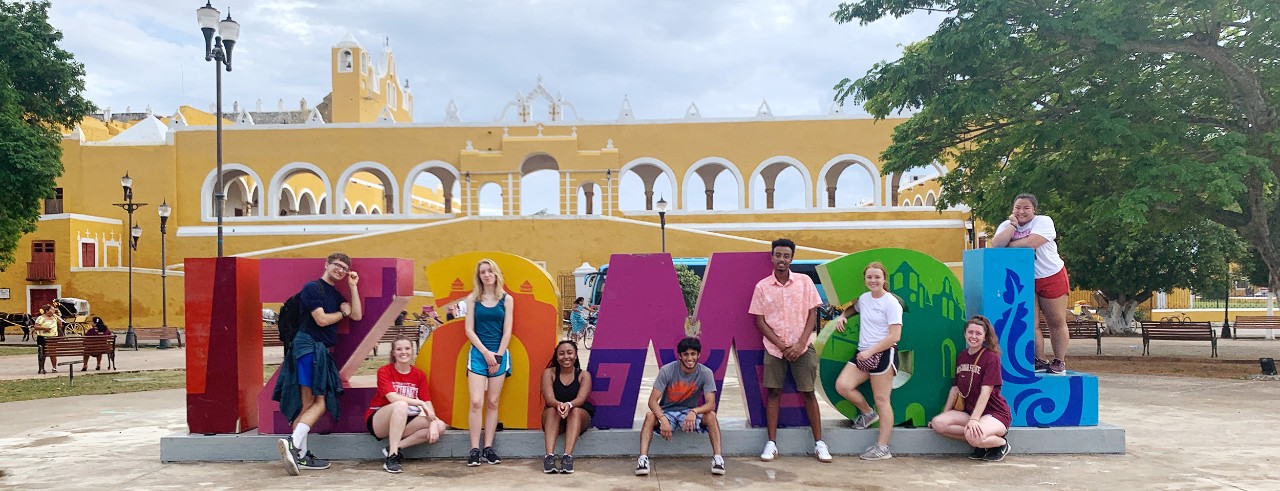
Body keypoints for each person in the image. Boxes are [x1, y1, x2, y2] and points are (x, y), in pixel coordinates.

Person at [277, 252, 362, 475]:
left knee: (307, 404)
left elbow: (357, 316)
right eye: (337, 265)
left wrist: (353, 286)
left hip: (316, 351)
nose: (340, 270)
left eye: (344, 268)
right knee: (321, 401)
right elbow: (322, 319)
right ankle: (292, 443)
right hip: (310, 348)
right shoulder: (312, 288)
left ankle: (301, 456)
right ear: (326, 264)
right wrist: (342, 313)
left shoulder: (335, 294)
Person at [748, 238, 831, 463]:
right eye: (778, 255)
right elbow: (760, 321)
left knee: (808, 393)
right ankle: (771, 443)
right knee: (774, 393)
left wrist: (799, 344)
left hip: (803, 349)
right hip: (775, 351)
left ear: (792, 258)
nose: (781, 259)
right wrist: (783, 346)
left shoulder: (804, 282)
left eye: (786, 255)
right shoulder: (762, 287)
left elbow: (812, 314)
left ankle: (819, 443)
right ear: (772, 257)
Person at [991, 193, 1071, 374]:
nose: (1021, 211)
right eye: (1017, 207)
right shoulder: (1007, 225)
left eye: (1026, 208)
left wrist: (1010, 245)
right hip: (1026, 279)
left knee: (1055, 321)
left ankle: (1059, 361)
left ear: (1034, 210)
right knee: (1030, 322)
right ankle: (1039, 359)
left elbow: (1032, 243)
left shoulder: (1044, 222)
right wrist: (1012, 226)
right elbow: (996, 245)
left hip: (1050, 274)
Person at [832, 261, 903, 460]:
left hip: (882, 355)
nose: (873, 280)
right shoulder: (864, 299)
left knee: (882, 400)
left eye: (877, 277)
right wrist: (843, 316)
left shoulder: (891, 303)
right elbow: (851, 309)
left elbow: (895, 336)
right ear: (865, 280)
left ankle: (883, 447)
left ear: (884, 279)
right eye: (869, 277)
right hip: (863, 353)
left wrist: (871, 351)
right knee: (843, 385)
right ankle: (867, 413)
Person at [635, 337, 724, 477]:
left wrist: (694, 411)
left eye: (693, 354)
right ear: (680, 356)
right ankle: (643, 460)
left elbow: (711, 404)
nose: (690, 358)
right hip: (667, 412)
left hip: (688, 413)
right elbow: (652, 401)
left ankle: (718, 459)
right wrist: (662, 418)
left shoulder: (706, 373)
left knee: (711, 416)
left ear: (698, 355)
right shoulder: (667, 370)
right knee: (649, 416)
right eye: (686, 354)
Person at [929, 315, 1013, 462]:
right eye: (970, 332)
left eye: (978, 333)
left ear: (985, 337)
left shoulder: (991, 357)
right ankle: (980, 440)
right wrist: (946, 413)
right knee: (938, 423)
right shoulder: (962, 356)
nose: (973, 336)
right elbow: (955, 388)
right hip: (970, 411)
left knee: (973, 436)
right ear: (965, 333)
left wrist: (974, 419)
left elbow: (986, 391)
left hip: (994, 413)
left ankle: (1001, 443)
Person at [366, 336, 448, 473]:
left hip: (403, 420)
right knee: (401, 404)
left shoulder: (419, 375)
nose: (403, 352)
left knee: (440, 425)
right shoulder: (384, 371)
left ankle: (394, 448)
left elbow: (427, 401)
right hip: (379, 420)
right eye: (399, 349)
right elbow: (392, 398)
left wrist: (433, 422)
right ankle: (392, 457)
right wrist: (419, 402)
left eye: (407, 348)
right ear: (393, 353)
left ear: (412, 350)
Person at [464, 258, 514, 466]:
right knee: (476, 402)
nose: (486, 275)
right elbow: (469, 330)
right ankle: (474, 449)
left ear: (496, 274)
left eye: (489, 271)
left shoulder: (507, 299)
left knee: (493, 402)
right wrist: (485, 353)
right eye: (482, 272)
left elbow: (508, 330)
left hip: (499, 354)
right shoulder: (473, 299)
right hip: (478, 353)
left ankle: (488, 448)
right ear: (479, 276)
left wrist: (498, 355)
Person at [540, 340, 594, 474]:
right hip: (554, 414)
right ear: (556, 357)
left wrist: (568, 405)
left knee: (575, 411)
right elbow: (549, 398)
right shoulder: (549, 373)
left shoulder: (583, 375)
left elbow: (581, 399)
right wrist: (559, 405)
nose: (566, 357)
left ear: (575, 356)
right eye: (561, 354)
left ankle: (567, 457)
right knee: (552, 410)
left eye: (570, 353)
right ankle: (549, 457)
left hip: (577, 415)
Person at [34, 306, 62, 374]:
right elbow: (36, 327)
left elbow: (60, 326)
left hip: (53, 338)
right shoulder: (41, 318)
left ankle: (54, 367)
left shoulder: (55, 317)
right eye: (52, 310)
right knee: (42, 353)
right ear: (47, 311)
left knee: (53, 353)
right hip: (43, 337)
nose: (54, 311)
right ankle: (42, 368)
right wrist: (44, 328)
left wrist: (59, 319)